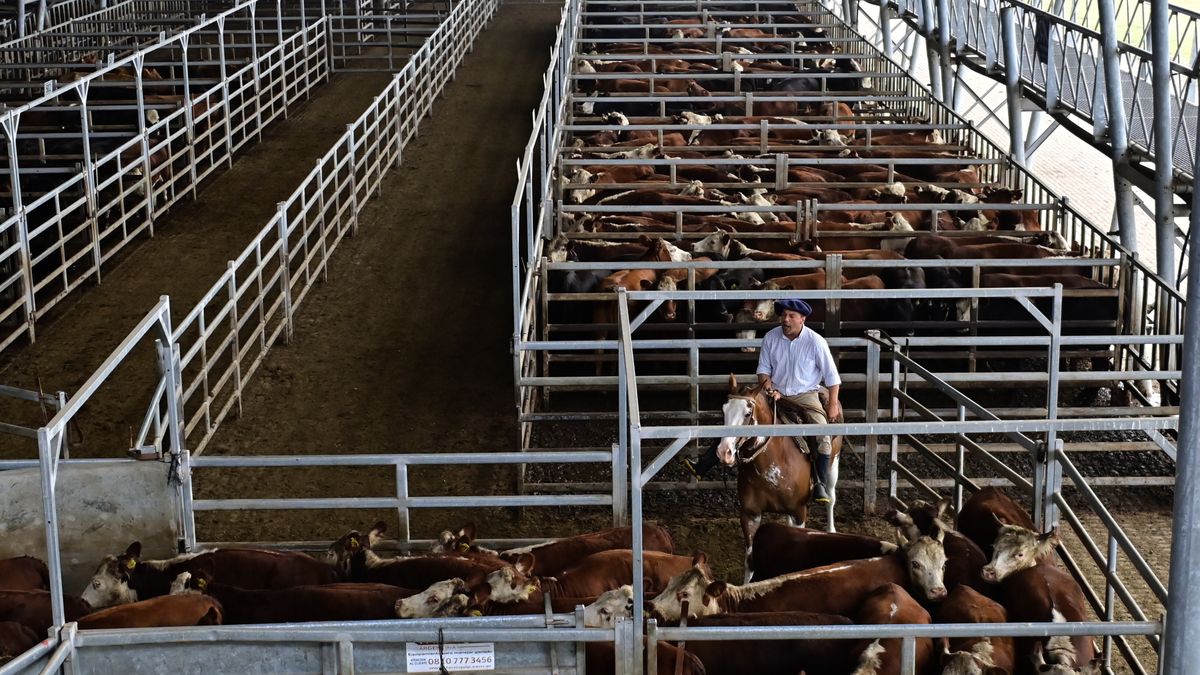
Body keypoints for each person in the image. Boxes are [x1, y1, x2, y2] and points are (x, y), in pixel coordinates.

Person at [683, 298, 842, 503]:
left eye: (791, 316)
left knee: (821, 433)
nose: (786, 320)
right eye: (783, 315)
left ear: (802, 319)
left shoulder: (816, 341)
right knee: (740, 411)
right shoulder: (770, 337)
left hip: (805, 395)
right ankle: (704, 463)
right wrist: (769, 389)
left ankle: (819, 482)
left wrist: (832, 404)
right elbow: (763, 370)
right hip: (774, 391)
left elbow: (832, 377)